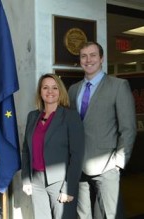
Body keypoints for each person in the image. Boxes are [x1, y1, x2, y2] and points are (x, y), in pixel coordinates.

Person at [68, 41, 137, 219]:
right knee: (83, 215)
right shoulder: (73, 90)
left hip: (107, 166)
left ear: (101, 59)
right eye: (84, 56)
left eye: (93, 55)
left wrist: (118, 162)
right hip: (79, 166)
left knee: (110, 214)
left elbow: (128, 128)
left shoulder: (118, 86)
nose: (88, 60)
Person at [21, 74, 85, 219]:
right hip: (36, 182)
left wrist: (68, 188)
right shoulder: (32, 116)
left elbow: (77, 155)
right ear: (40, 92)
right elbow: (26, 150)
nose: (50, 91)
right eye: (45, 87)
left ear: (60, 91)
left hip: (60, 182)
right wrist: (26, 179)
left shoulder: (70, 117)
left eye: (54, 87)